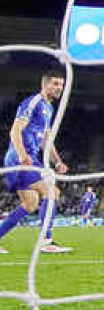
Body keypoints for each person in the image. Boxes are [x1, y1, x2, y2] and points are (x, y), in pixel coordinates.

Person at [0, 72, 72, 254]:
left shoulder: (49, 108)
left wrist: (57, 161)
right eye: (55, 84)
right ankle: (45, 241)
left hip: (31, 159)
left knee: (30, 204)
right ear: (44, 84)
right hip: (21, 159)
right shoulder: (32, 103)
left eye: (61, 85)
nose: (59, 88)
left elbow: (46, 138)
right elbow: (15, 131)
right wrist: (22, 155)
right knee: (51, 191)